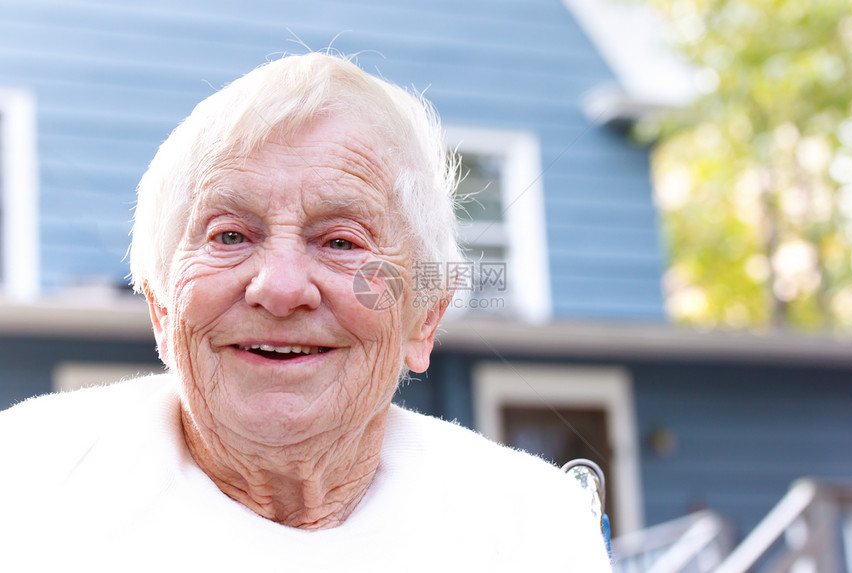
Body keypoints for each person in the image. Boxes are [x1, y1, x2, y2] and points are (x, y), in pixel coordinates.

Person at [0, 53, 611, 571]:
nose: (282, 288)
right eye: (230, 236)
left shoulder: (535, 531)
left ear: (422, 319)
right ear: (161, 306)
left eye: (341, 241)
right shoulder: (24, 483)